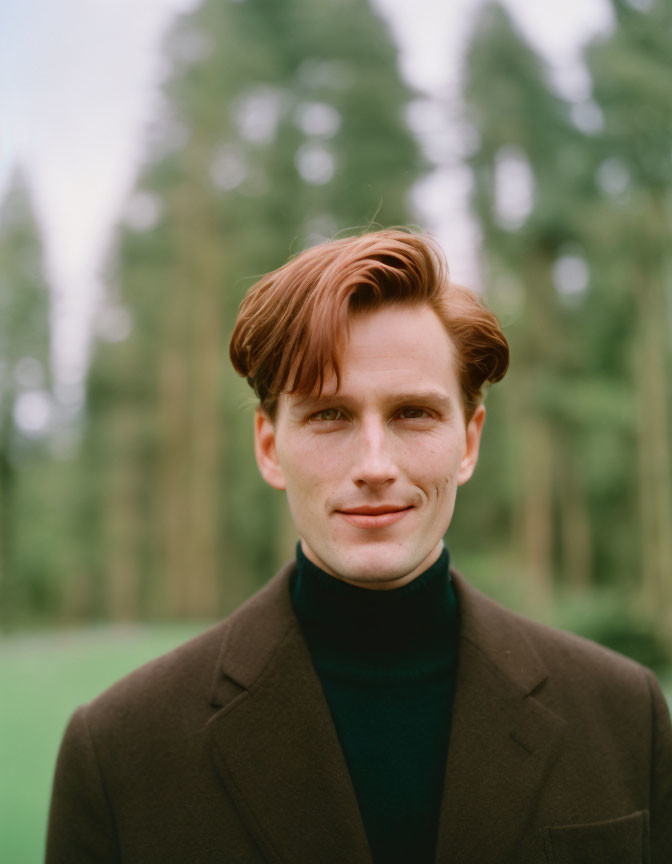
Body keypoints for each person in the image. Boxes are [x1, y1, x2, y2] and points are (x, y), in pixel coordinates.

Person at [47, 229, 672, 863]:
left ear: (470, 442)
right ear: (269, 447)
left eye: (413, 413)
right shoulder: (119, 751)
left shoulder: (627, 718)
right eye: (329, 415)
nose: (375, 464)